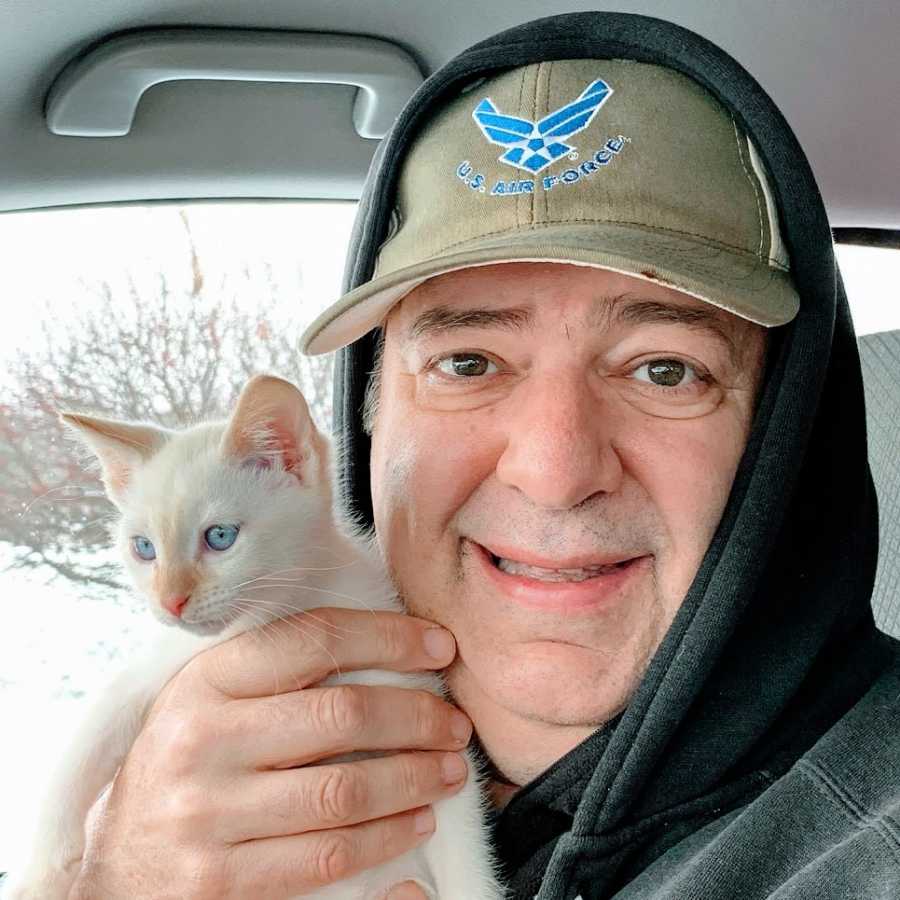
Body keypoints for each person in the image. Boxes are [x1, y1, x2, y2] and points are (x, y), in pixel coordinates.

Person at [68, 11, 900, 900]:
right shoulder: (190, 798)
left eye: (665, 369)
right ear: (369, 416)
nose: (554, 468)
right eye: (467, 363)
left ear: (783, 436)